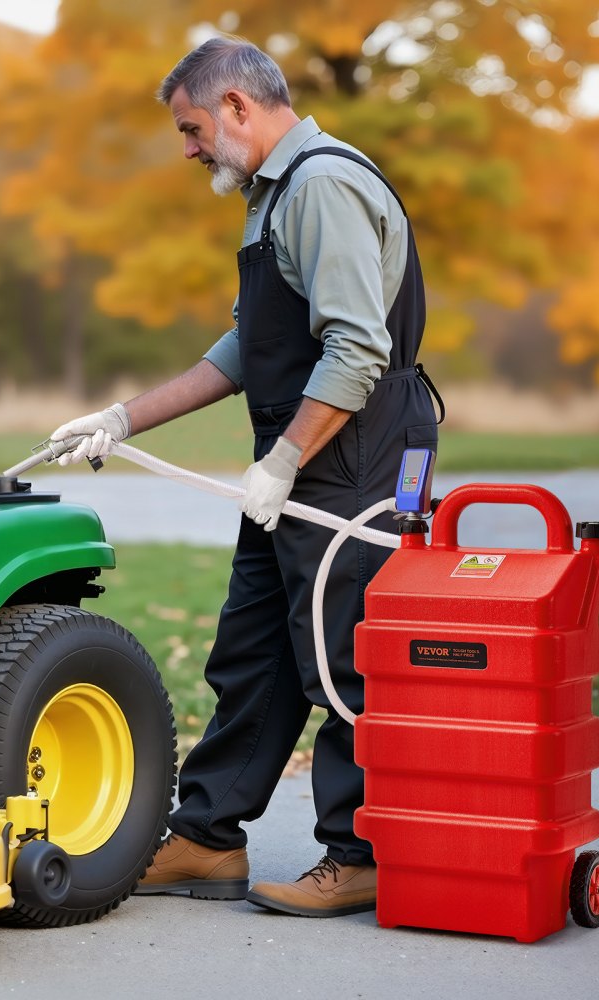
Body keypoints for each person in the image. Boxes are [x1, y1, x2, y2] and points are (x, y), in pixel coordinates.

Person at [50, 36, 440, 918]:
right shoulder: (271, 196)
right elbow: (240, 353)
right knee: (252, 648)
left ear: (236, 106)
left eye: (191, 128)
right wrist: (120, 418)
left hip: (356, 447)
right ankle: (208, 838)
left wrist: (285, 460)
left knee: (346, 656)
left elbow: (356, 349)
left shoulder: (324, 186)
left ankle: (363, 852)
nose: (187, 148)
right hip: (300, 452)